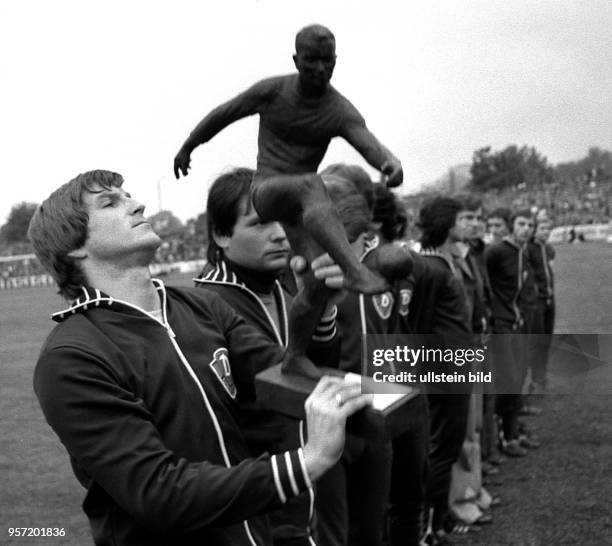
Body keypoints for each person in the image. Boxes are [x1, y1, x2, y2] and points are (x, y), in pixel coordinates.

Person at [28, 169, 372, 546]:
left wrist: (316, 303)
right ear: (74, 245)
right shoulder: (72, 357)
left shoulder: (200, 306)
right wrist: (309, 461)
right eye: (111, 202)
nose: (138, 204)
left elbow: (285, 378)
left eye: (128, 194)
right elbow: (158, 492)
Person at [173, 24, 403, 378]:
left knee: (316, 283)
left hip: (302, 208)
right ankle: (355, 271)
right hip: (267, 191)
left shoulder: (339, 110)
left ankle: (294, 354)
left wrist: (389, 162)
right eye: (311, 61)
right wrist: (190, 144)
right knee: (312, 183)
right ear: (296, 60)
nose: (319, 70)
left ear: (336, 61)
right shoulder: (273, 92)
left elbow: (366, 141)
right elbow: (227, 112)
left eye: (327, 62)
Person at [195, 167, 341, 545]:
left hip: (304, 485)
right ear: (221, 235)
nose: (279, 235)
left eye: (283, 222)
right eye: (260, 224)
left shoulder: (284, 289)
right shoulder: (204, 306)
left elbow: (320, 366)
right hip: (258, 502)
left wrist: (321, 306)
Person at [485, 209, 535, 458]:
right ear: (511, 226)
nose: (526, 228)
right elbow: (483, 282)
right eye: (521, 224)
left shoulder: (522, 251)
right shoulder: (496, 252)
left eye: (530, 225)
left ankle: (514, 432)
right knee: (508, 379)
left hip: (518, 323)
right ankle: (506, 438)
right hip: (501, 325)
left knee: (518, 378)